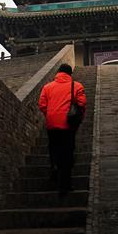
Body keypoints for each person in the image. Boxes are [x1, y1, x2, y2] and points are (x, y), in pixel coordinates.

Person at [38, 63, 86, 196]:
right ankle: (65, 184)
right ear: (70, 74)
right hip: (68, 124)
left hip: (52, 123)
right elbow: (81, 104)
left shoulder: (47, 87)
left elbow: (42, 105)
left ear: (58, 72)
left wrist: (50, 114)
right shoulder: (77, 86)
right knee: (67, 152)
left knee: (54, 147)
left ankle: (54, 167)